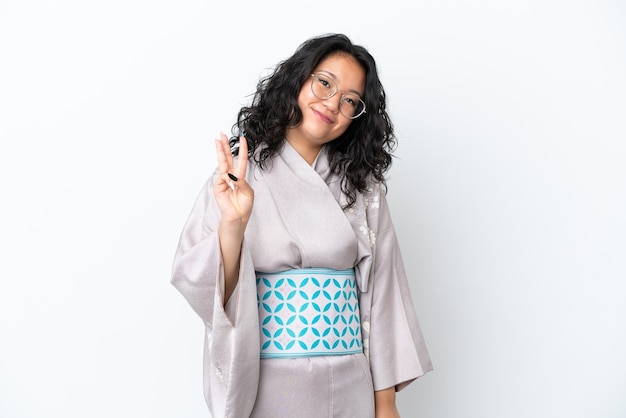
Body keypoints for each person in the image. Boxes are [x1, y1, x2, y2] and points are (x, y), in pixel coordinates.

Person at [171, 33, 432, 418]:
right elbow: (202, 285)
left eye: (350, 101)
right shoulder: (240, 176)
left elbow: (385, 294)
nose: (332, 104)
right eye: (324, 83)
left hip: (350, 385)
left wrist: (386, 402)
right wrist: (233, 224)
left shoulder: (362, 187)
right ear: (298, 80)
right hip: (270, 385)